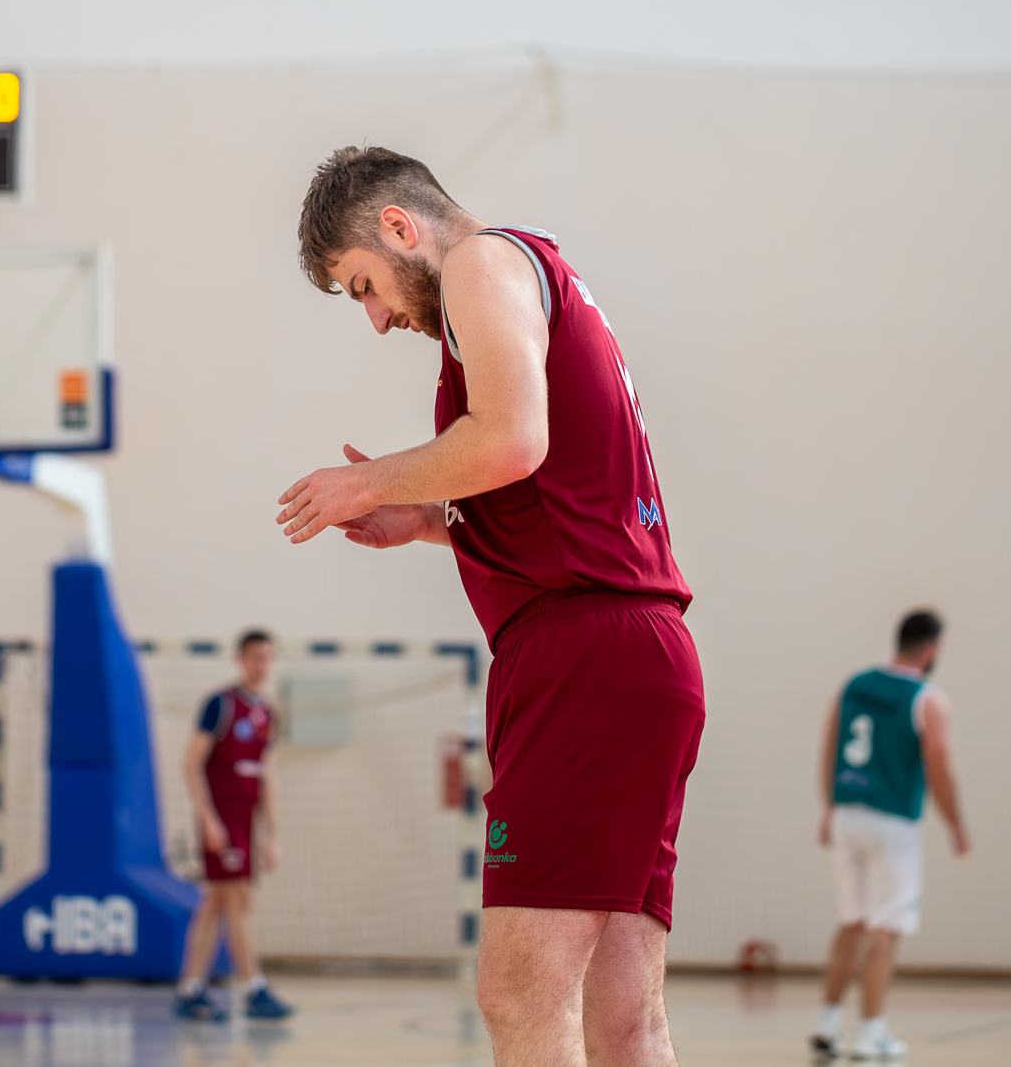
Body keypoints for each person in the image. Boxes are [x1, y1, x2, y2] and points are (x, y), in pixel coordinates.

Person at [277, 147, 703, 1067]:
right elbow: (548, 487)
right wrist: (425, 519)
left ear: (400, 226)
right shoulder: (536, 274)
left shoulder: (480, 261)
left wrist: (366, 482)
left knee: (520, 990)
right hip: (635, 648)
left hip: (583, 653)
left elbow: (511, 439)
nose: (377, 318)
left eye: (363, 286)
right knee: (624, 1014)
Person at [810, 608, 969, 1062]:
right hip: (893, 821)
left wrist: (829, 806)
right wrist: (955, 823)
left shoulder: (854, 684)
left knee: (851, 922)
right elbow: (938, 760)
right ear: (931, 649)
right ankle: (870, 1033)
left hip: (847, 812)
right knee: (885, 928)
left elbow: (830, 745)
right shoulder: (927, 698)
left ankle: (827, 1024)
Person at [174, 629, 294, 1023]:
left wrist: (271, 836)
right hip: (222, 819)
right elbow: (191, 763)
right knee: (238, 898)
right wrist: (207, 817)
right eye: (256, 657)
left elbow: (267, 777)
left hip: (246, 821)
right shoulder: (220, 704)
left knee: (216, 903)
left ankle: (191, 988)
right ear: (240, 659)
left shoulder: (267, 712)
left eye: (268, 657)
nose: (263, 665)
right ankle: (253, 987)